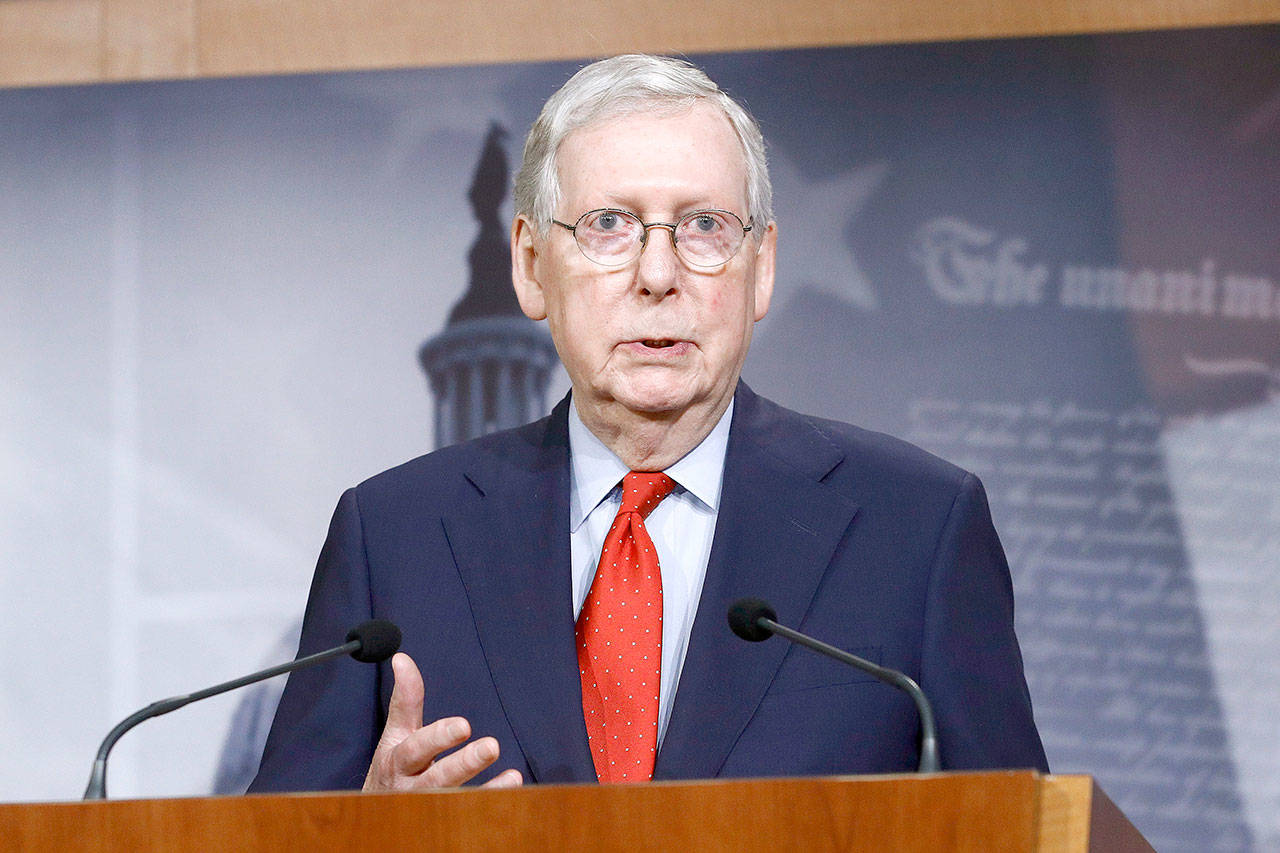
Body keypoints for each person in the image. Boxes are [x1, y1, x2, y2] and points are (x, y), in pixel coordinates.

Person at [249, 54, 1047, 794]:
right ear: (531, 265)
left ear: (760, 268)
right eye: (608, 225)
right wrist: (355, 831)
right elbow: (273, 837)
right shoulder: (394, 536)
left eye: (703, 226)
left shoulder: (917, 529)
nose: (657, 275)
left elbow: (1019, 833)